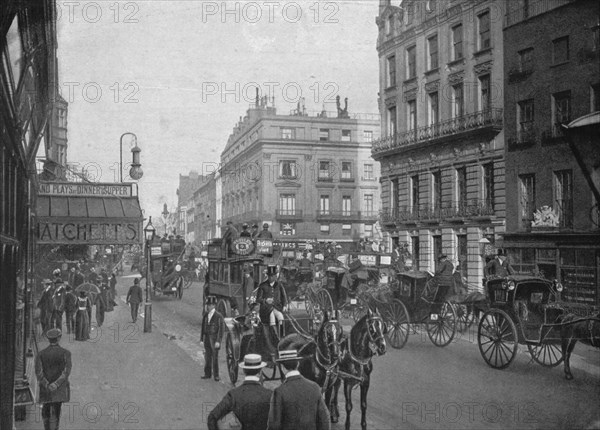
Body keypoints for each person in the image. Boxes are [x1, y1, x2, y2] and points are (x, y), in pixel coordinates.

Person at [267, 349, 330, 430]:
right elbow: (324, 421)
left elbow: (274, 426)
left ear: (282, 367)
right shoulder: (314, 387)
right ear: (298, 364)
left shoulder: (279, 391)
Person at [207, 354, 272, 430]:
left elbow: (212, 417)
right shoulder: (270, 395)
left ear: (244, 371)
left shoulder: (233, 394)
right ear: (260, 372)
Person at [35, 328, 72, 430]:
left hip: (45, 389)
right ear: (59, 338)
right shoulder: (66, 353)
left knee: (45, 412)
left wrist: (47, 384)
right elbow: (66, 372)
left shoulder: (40, 354)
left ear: (48, 339)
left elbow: (38, 373)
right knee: (57, 411)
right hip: (59, 390)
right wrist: (56, 384)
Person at [257, 266, 288, 343]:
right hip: (266, 309)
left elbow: (284, 297)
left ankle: (282, 337)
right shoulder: (262, 285)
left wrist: (284, 305)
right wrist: (265, 301)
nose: (270, 278)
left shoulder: (279, 285)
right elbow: (258, 299)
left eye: (272, 276)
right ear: (267, 276)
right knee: (272, 317)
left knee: (280, 317)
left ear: (275, 276)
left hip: (277, 308)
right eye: (269, 276)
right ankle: (274, 339)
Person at [201, 296, 224, 381]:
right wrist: (201, 339)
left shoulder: (219, 316)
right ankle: (207, 374)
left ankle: (216, 375)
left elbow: (221, 330)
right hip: (207, 338)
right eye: (208, 305)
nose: (209, 306)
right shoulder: (206, 315)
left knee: (215, 357)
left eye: (210, 305)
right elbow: (203, 328)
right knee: (207, 357)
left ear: (214, 305)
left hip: (214, 339)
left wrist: (218, 340)